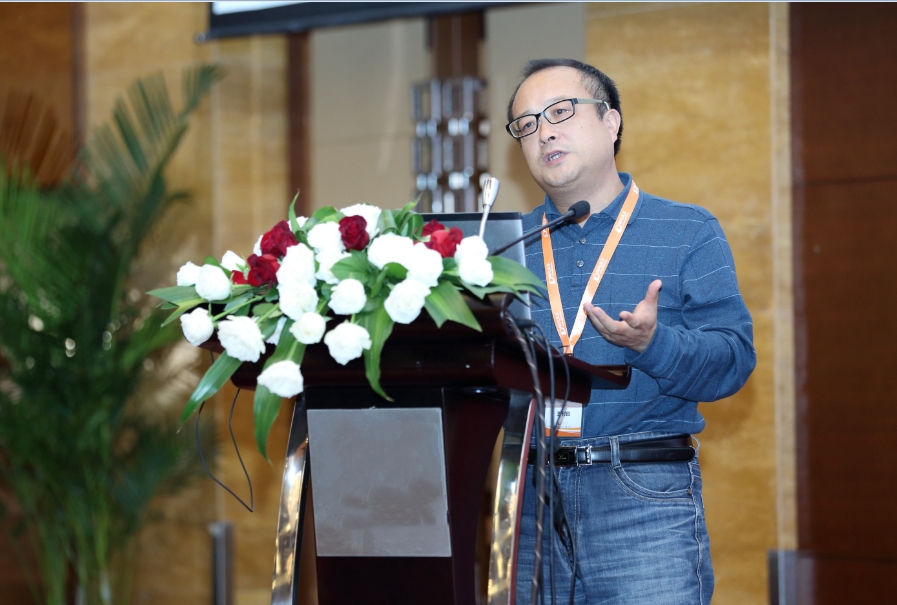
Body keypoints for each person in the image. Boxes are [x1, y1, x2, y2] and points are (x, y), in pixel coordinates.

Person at [506, 58, 756, 604]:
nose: (543, 132)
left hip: (641, 496)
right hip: (528, 504)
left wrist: (652, 344)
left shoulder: (687, 230)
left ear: (611, 121)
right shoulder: (502, 250)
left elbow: (735, 360)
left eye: (560, 112)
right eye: (526, 124)